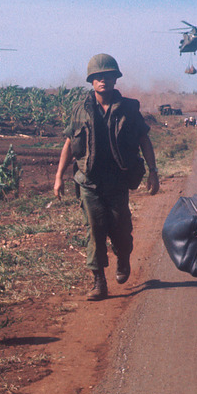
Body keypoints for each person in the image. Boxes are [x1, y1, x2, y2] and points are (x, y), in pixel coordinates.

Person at [53, 54, 160, 301]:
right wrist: (58, 177)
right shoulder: (80, 109)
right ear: (91, 81)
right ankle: (98, 281)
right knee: (95, 229)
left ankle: (123, 258)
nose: (104, 81)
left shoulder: (129, 108)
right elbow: (69, 143)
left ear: (115, 79)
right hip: (88, 181)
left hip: (118, 181)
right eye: (99, 77)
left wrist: (153, 172)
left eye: (108, 76)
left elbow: (144, 139)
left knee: (121, 229)